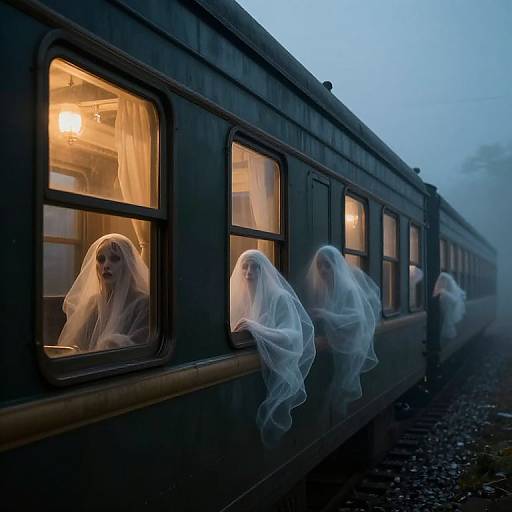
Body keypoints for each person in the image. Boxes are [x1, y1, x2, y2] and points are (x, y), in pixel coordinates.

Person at [230, 250, 316, 446]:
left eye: (255, 267)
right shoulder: (238, 298)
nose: (249, 272)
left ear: (264, 271)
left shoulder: (280, 297)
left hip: (275, 375)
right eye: (245, 266)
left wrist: (256, 328)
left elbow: (294, 336)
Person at [306, 246, 381, 405]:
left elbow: (357, 318)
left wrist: (326, 315)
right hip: (333, 349)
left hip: (347, 351)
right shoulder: (324, 288)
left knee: (339, 395)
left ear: (336, 265)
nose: (323, 270)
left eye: (328, 265)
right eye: (319, 265)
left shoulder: (348, 289)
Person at [56, 233, 149, 354]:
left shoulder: (144, 304)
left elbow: (140, 348)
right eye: (101, 259)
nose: (106, 265)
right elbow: (75, 344)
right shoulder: (93, 304)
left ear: (128, 264)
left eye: (114, 259)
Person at [433, 272, 466, 339]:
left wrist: (443, 293)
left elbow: (454, 301)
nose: (442, 283)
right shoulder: (443, 292)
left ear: (447, 282)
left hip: (446, 316)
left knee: (447, 328)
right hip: (443, 316)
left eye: (444, 281)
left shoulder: (446, 293)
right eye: (441, 281)